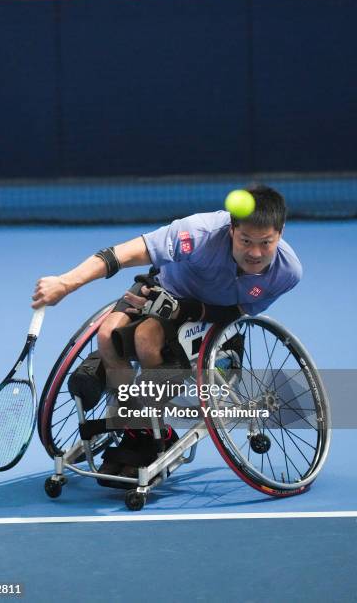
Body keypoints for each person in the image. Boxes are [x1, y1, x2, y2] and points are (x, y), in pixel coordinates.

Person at [31, 184, 302, 483]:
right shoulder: (198, 233)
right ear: (231, 230)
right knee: (108, 334)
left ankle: (156, 434)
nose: (255, 252)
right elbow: (120, 255)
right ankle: (136, 424)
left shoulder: (287, 272)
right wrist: (66, 283)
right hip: (162, 289)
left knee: (146, 338)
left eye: (266, 242)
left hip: (209, 319)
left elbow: (237, 311)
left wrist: (186, 311)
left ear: (281, 232)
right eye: (245, 240)